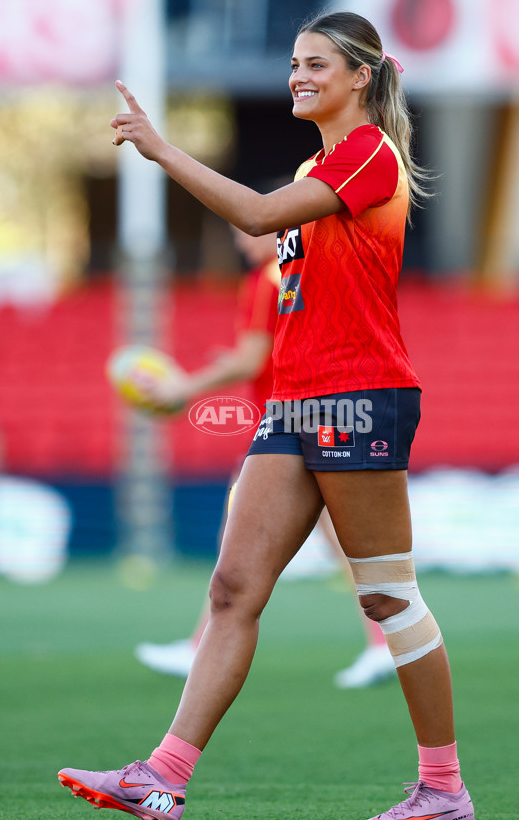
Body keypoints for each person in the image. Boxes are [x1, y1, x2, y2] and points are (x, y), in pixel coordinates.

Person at [59, 11, 474, 820]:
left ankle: (444, 788)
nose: (298, 75)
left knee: (389, 596)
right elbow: (281, 275)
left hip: (360, 395)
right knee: (232, 587)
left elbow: (253, 217)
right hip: (295, 400)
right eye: (292, 63)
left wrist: (162, 149)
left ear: (362, 76)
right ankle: (162, 776)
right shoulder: (319, 162)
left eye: (316, 63)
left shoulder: (365, 154)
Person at [134, 225, 396, 689]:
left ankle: (200, 647)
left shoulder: (265, 279)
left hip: (282, 426)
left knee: (237, 539)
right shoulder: (309, 272)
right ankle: (386, 644)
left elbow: (250, 361)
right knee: (346, 542)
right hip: (323, 415)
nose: (240, 239)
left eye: (245, 229)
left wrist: (184, 387)